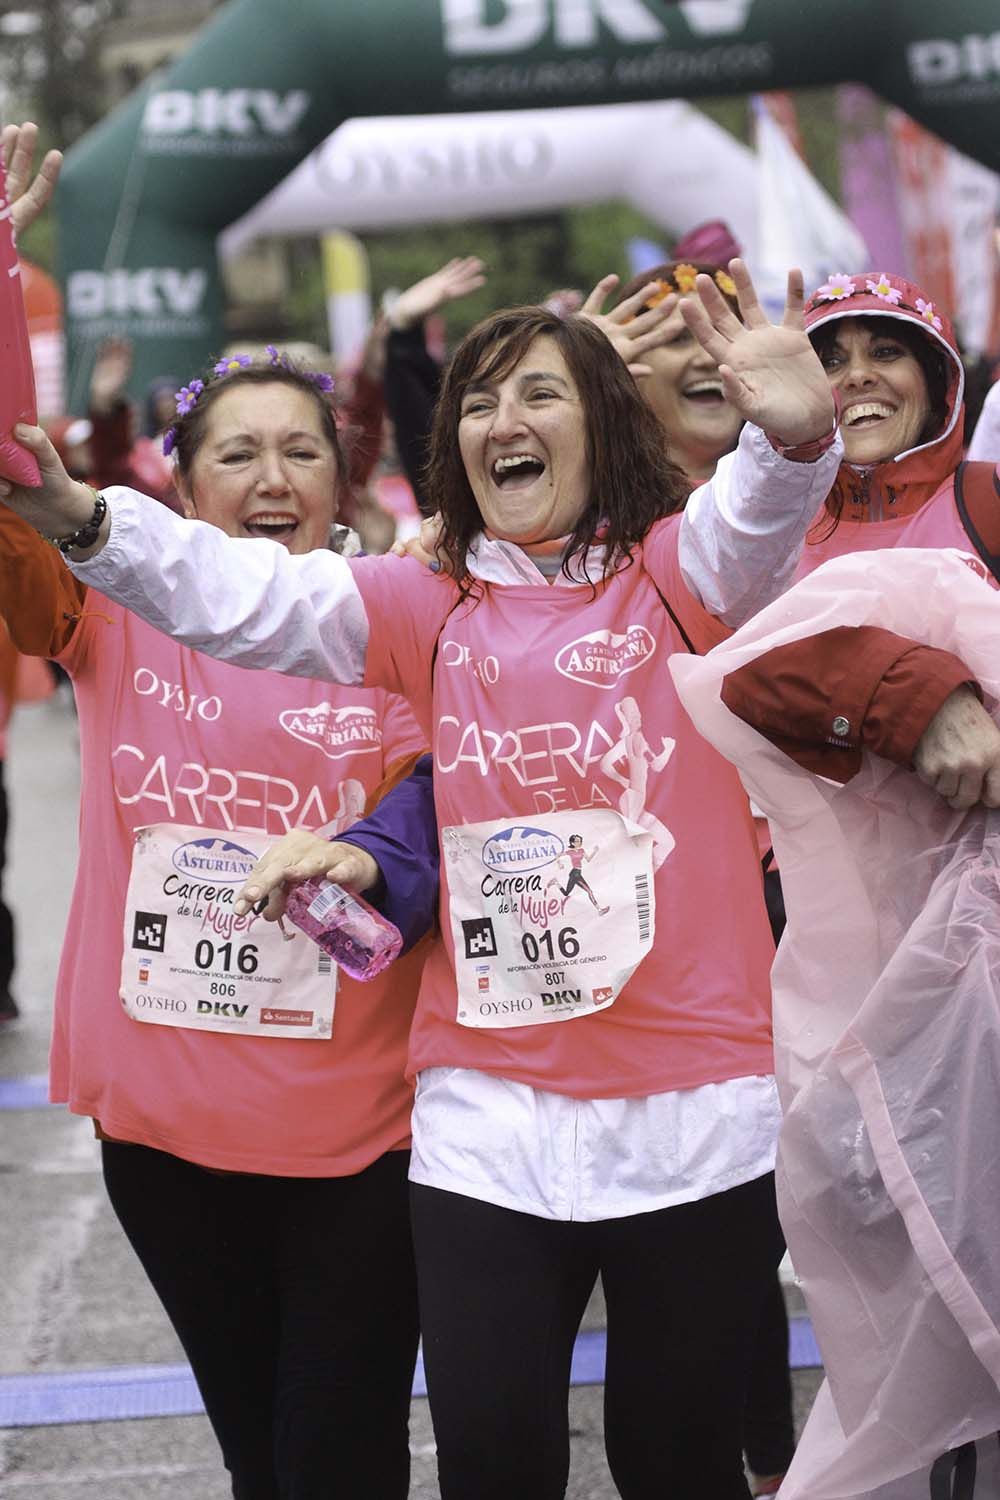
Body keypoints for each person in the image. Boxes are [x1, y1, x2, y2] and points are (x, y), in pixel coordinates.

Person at [2, 265, 844, 1500]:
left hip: (694, 1115)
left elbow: (760, 518)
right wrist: (84, 514)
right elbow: (239, 595)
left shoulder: (682, 574)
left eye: (542, 395)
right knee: (491, 1466)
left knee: (673, 1462)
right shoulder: (420, 601)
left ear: (602, 422)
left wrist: (798, 434)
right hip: (483, 1124)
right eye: (478, 401)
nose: (505, 421)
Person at [0, 142, 434, 1492]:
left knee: (336, 1456)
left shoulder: (397, 622)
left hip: (369, 1128)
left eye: (302, 449)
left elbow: (454, 800)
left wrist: (374, 845)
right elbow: (13, 487)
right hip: (168, 1135)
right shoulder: (114, 610)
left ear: (346, 481)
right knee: (264, 1454)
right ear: (177, 493)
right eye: (234, 453)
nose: (270, 474)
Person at [670, 545, 1000, 1498]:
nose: (863, 382)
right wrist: (921, 696)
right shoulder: (942, 576)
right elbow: (760, 673)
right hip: (939, 1079)